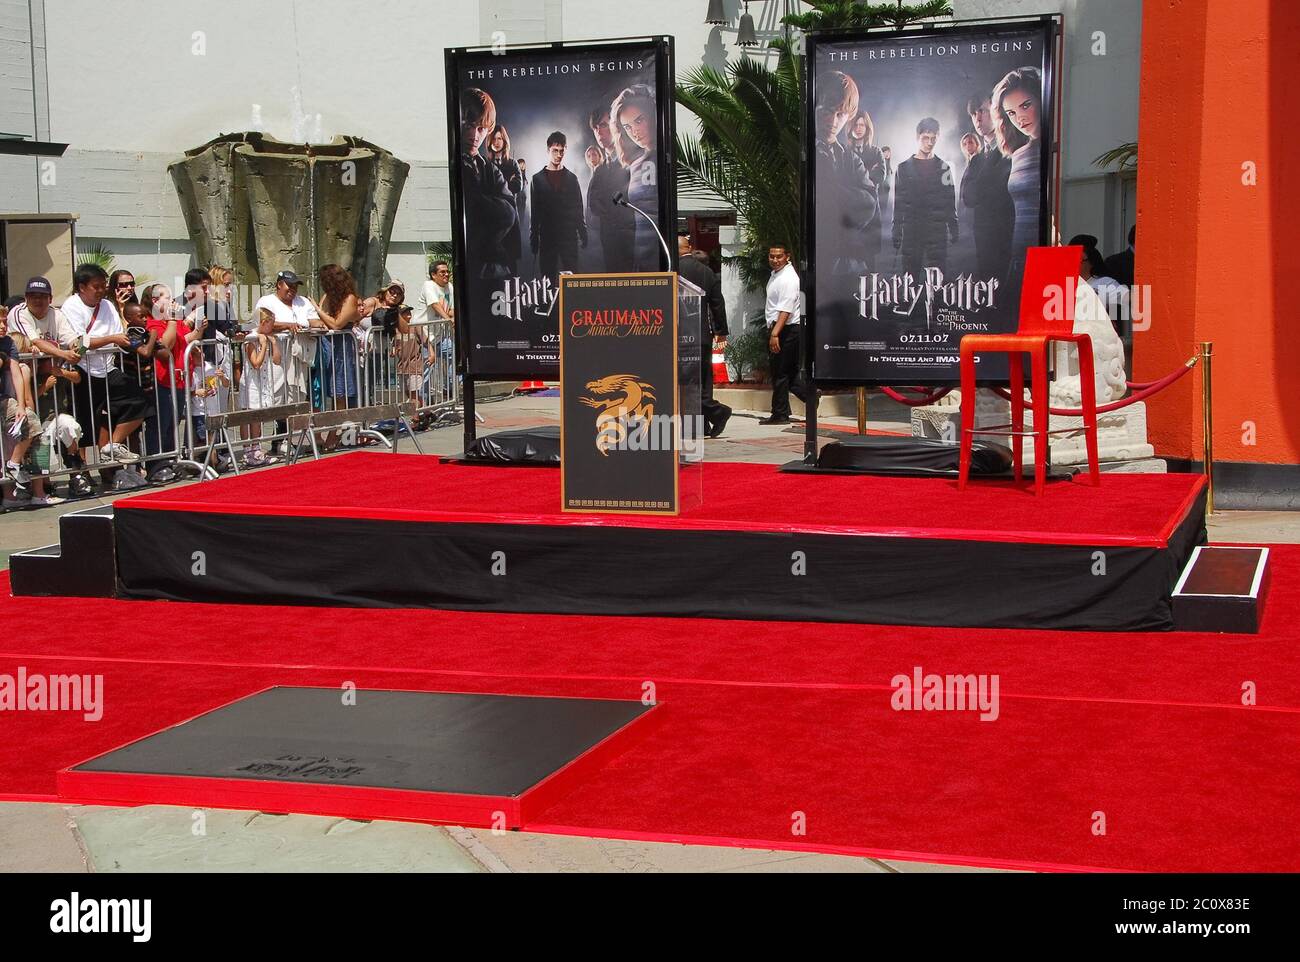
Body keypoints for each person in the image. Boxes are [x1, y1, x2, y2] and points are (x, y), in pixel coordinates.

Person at [61, 263, 153, 478]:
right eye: (96, 286)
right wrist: (109, 339)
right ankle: (79, 473)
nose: (102, 290)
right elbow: (78, 343)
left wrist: (120, 340)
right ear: (82, 287)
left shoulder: (108, 306)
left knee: (140, 400)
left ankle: (112, 445)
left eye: (104, 286)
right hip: (82, 369)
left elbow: (118, 334)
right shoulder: (71, 306)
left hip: (108, 367)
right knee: (81, 424)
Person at [815, 73, 878, 277]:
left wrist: (830, 190)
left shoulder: (850, 158)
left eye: (841, 114)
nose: (833, 121)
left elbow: (869, 204)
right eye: (827, 111)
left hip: (846, 266)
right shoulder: (804, 152)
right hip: (817, 265)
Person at [142, 282, 206, 479]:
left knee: (173, 424)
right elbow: (166, 345)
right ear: (155, 300)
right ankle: (156, 465)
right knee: (160, 425)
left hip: (179, 379)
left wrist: (199, 328)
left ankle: (170, 461)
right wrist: (171, 319)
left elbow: (183, 340)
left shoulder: (174, 322)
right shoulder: (153, 323)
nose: (172, 301)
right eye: (167, 297)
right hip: (162, 380)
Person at [460, 88, 518, 282]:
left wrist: (478, 202)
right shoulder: (457, 164)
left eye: (481, 129)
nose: (475, 135)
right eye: (469, 125)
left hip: (493, 266)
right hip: (469, 267)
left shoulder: (489, 168)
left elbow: (509, 212)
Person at [677, 232, 731, 439]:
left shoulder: (672, 270)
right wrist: (721, 331)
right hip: (702, 336)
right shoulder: (707, 272)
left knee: (687, 384)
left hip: (680, 336)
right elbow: (717, 303)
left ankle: (717, 413)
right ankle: (705, 424)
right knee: (704, 382)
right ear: (689, 248)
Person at [992, 66, 1044, 272]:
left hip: (1048, 255)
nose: (1019, 118)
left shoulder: (1056, 150)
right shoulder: (1018, 154)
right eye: (1011, 113)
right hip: (1018, 257)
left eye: (1026, 105)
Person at [892, 117, 958, 278]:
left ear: (938, 137)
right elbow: (899, 202)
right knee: (910, 275)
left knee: (938, 277)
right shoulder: (903, 168)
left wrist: (953, 226)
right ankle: (909, 304)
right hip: (912, 230)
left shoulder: (944, 167)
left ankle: (936, 303)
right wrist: (896, 230)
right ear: (917, 137)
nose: (930, 142)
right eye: (925, 138)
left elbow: (949, 199)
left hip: (937, 230)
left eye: (933, 138)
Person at [961, 93, 1016, 283]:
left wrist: (980, 187)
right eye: (974, 113)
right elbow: (967, 197)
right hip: (982, 236)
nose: (977, 117)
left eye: (982, 111)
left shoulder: (1011, 150)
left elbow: (1001, 190)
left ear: (995, 111)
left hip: (1006, 234)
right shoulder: (976, 159)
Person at [611, 85, 661, 270]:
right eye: (627, 127)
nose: (634, 132)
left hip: (661, 258)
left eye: (639, 121)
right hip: (641, 260)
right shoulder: (635, 165)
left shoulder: (665, 158)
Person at [530, 130, 587, 289]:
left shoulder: (571, 178)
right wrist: (534, 237)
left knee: (572, 276)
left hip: (568, 234)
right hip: (547, 235)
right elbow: (535, 211)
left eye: (562, 150)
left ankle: (572, 309)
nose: (559, 154)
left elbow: (578, 207)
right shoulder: (537, 179)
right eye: (555, 150)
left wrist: (583, 231)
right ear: (548, 150)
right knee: (547, 277)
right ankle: (549, 310)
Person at [315, 263, 361, 450]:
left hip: (341, 349)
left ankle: (334, 435)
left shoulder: (349, 298)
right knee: (324, 391)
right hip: (326, 347)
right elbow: (322, 320)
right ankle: (326, 434)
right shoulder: (328, 296)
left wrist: (317, 310)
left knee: (340, 393)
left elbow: (336, 324)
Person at [586, 103, 634, 271]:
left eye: (604, 125)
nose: (599, 132)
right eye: (596, 128)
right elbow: (593, 201)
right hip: (608, 238)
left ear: (615, 126)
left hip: (630, 240)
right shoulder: (600, 169)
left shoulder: (632, 160)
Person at [760, 244, 804, 425]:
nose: (775, 260)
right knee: (788, 373)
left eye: (779, 256)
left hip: (786, 329)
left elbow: (786, 309)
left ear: (787, 256)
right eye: (772, 256)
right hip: (780, 328)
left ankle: (780, 414)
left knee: (780, 373)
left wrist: (775, 334)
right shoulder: (777, 275)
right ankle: (809, 394)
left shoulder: (788, 278)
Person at [240, 307, 284, 466]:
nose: (272, 327)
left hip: (263, 382)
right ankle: (248, 451)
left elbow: (277, 361)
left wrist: (274, 344)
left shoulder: (266, 337)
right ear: (264, 322)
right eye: (271, 323)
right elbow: (256, 363)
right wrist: (264, 345)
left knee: (257, 416)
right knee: (248, 416)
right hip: (251, 382)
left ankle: (256, 448)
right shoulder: (251, 338)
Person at [845, 109, 887, 271]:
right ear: (850, 127)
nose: (859, 128)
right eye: (856, 124)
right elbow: (842, 178)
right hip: (848, 211)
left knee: (870, 259)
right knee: (850, 258)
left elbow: (880, 176)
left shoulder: (876, 151)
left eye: (862, 124)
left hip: (871, 209)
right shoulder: (844, 152)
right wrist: (867, 173)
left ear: (867, 127)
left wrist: (858, 176)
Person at [485, 125, 524, 275]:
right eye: (494, 138)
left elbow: (517, 186)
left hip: (510, 216)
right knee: (492, 261)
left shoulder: (512, 163)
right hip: (491, 218)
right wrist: (506, 182)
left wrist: (499, 186)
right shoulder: (485, 164)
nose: (496, 142)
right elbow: (484, 189)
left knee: (511, 261)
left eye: (499, 138)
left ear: (504, 141)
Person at [391, 304, 430, 425]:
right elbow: (394, 345)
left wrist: (431, 353)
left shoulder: (415, 327)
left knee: (413, 394)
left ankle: (415, 419)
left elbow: (426, 342)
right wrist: (393, 351)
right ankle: (427, 411)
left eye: (409, 313)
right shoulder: (396, 330)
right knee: (408, 393)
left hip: (414, 365)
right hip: (402, 367)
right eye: (405, 313)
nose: (408, 315)